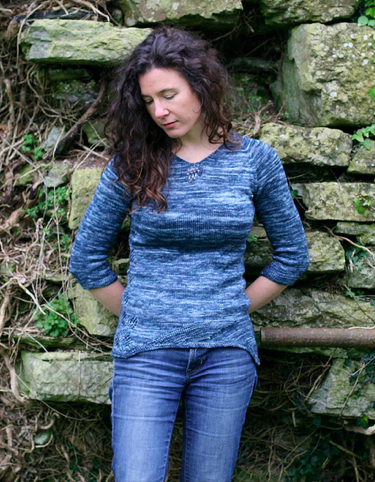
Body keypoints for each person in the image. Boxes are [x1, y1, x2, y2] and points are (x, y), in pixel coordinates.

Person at [69, 26, 310, 482]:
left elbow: (293, 256)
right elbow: (86, 259)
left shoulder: (255, 161)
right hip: (146, 356)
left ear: (202, 85)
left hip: (225, 356)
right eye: (147, 101)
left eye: (168, 94)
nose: (159, 111)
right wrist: (145, 315)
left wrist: (235, 308)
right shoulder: (133, 162)